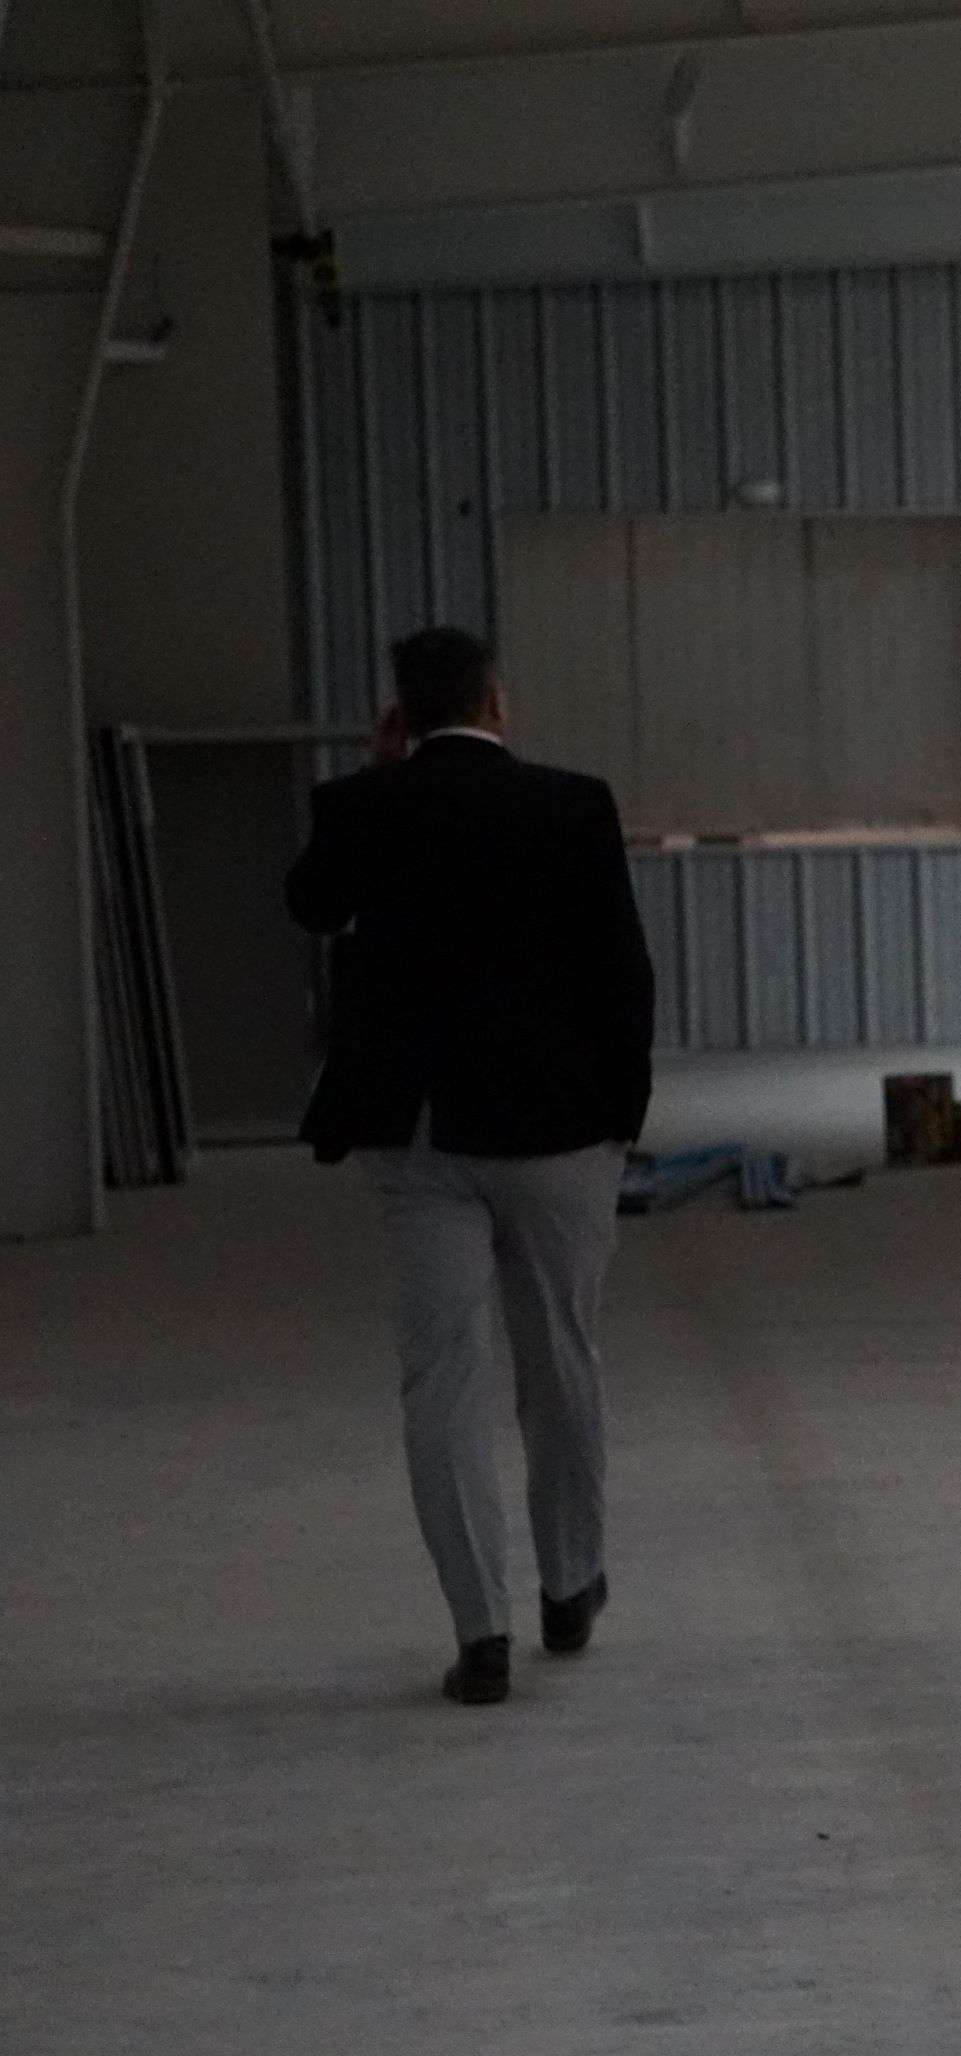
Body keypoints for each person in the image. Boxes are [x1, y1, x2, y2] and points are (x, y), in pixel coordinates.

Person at [289, 626, 656, 1706]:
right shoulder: (572, 803)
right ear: (496, 701)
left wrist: (372, 772)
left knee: (440, 1374)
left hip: (417, 1136)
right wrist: (621, 1112)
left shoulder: (363, 807)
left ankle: (479, 1628)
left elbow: (308, 905)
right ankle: (570, 1581)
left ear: (400, 713)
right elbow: (620, 968)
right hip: (556, 1132)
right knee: (560, 1358)